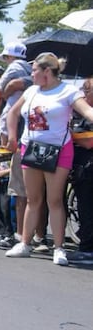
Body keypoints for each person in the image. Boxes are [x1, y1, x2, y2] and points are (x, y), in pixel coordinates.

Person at [4, 53, 93, 266]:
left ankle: (59, 248)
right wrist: (12, 136)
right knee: (32, 199)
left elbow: (88, 110)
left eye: (34, 70)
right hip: (31, 148)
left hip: (58, 150)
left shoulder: (68, 91)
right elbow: (12, 114)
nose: (31, 74)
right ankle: (25, 243)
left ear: (46, 71)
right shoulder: (31, 90)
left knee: (54, 200)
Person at [0, 42, 32, 247]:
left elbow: (4, 87)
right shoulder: (29, 69)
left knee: (19, 192)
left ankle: (19, 234)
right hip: (24, 132)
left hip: (17, 134)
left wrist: (6, 91)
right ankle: (27, 233)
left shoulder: (16, 68)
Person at [67, 77, 93, 264]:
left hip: (88, 167)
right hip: (80, 166)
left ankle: (87, 249)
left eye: (87, 90)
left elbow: (89, 141)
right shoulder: (79, 114)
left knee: (87, 208)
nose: (83, 94)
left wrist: (70, 134)